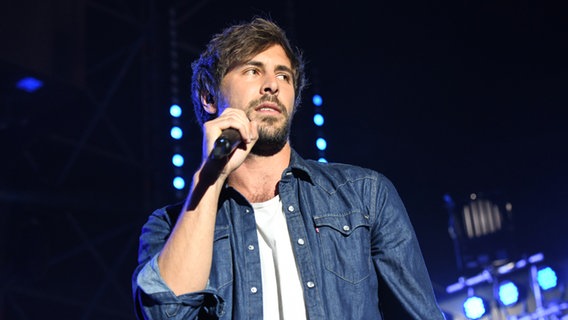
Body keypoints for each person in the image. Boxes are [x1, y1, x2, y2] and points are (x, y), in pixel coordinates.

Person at [132, 17, 446, 320]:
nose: (272, 85)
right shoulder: (169, 225)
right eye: (253, 71)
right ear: (208, 96)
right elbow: (165, 312)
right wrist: (210, 179)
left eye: (283, 76)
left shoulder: (364, 195)